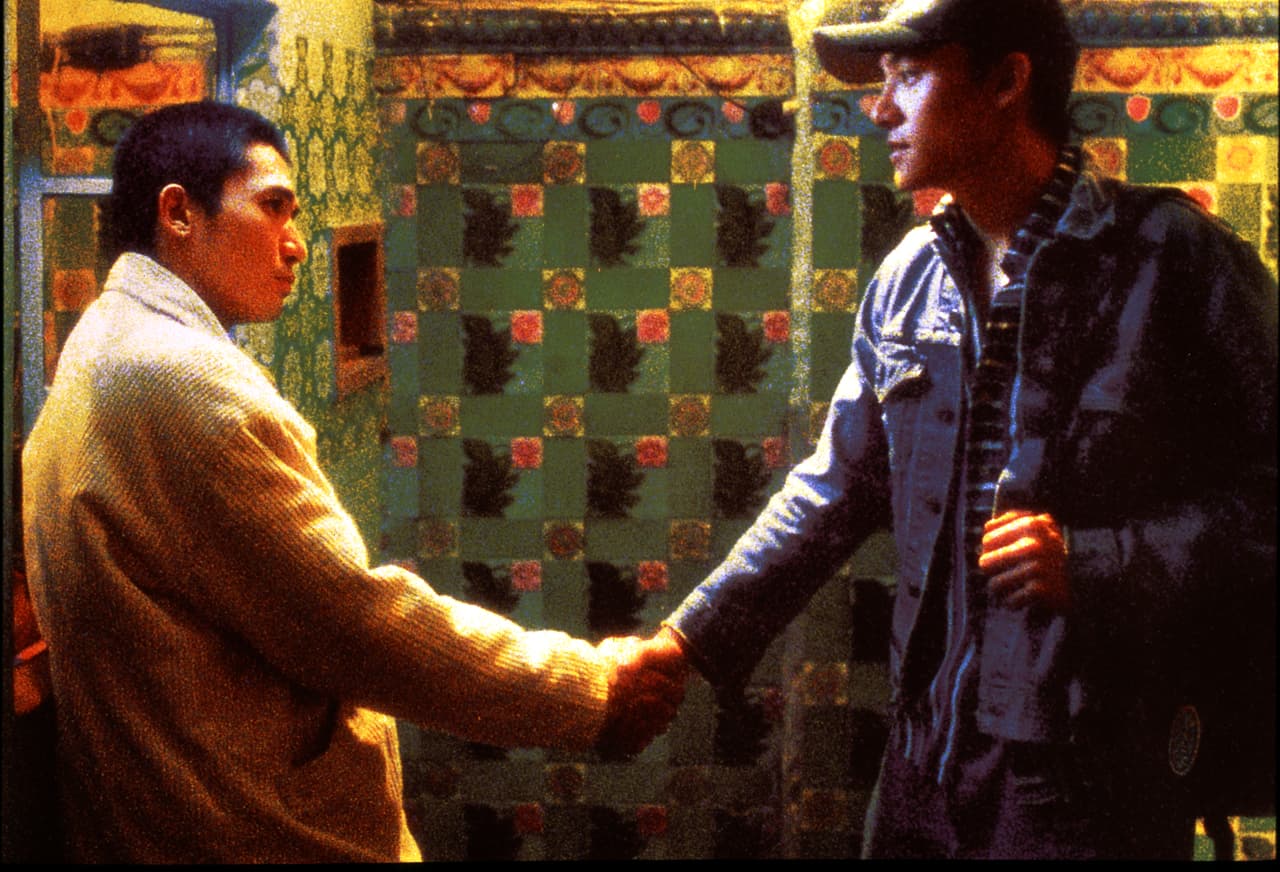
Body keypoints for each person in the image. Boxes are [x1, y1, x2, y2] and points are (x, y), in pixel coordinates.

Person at [645, 0, 1276, 859]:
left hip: (1089, 785)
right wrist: (683, 643)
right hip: (921, 768)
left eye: (908, 77)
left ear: (1007, 80)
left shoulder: (1172, 259)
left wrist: (1096, 561)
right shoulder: (909, 278)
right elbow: (833, 488)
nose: (881, 108)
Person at [20, 101, 686, 863]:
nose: (297, 244)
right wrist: (588, 689)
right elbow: (354, 626)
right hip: (246, 835)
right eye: (272, 206)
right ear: (178, 213)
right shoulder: (175, 377)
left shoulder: (107, 336)